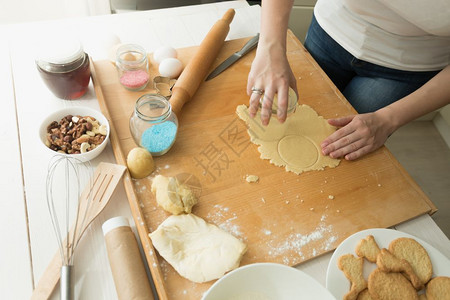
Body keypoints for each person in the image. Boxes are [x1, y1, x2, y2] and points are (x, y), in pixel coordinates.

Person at [247, 0, 450, 160]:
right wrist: (270, 47)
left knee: (338, 150)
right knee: (291, 121)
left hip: (406, 68)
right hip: (331, 30)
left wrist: (388, 120)